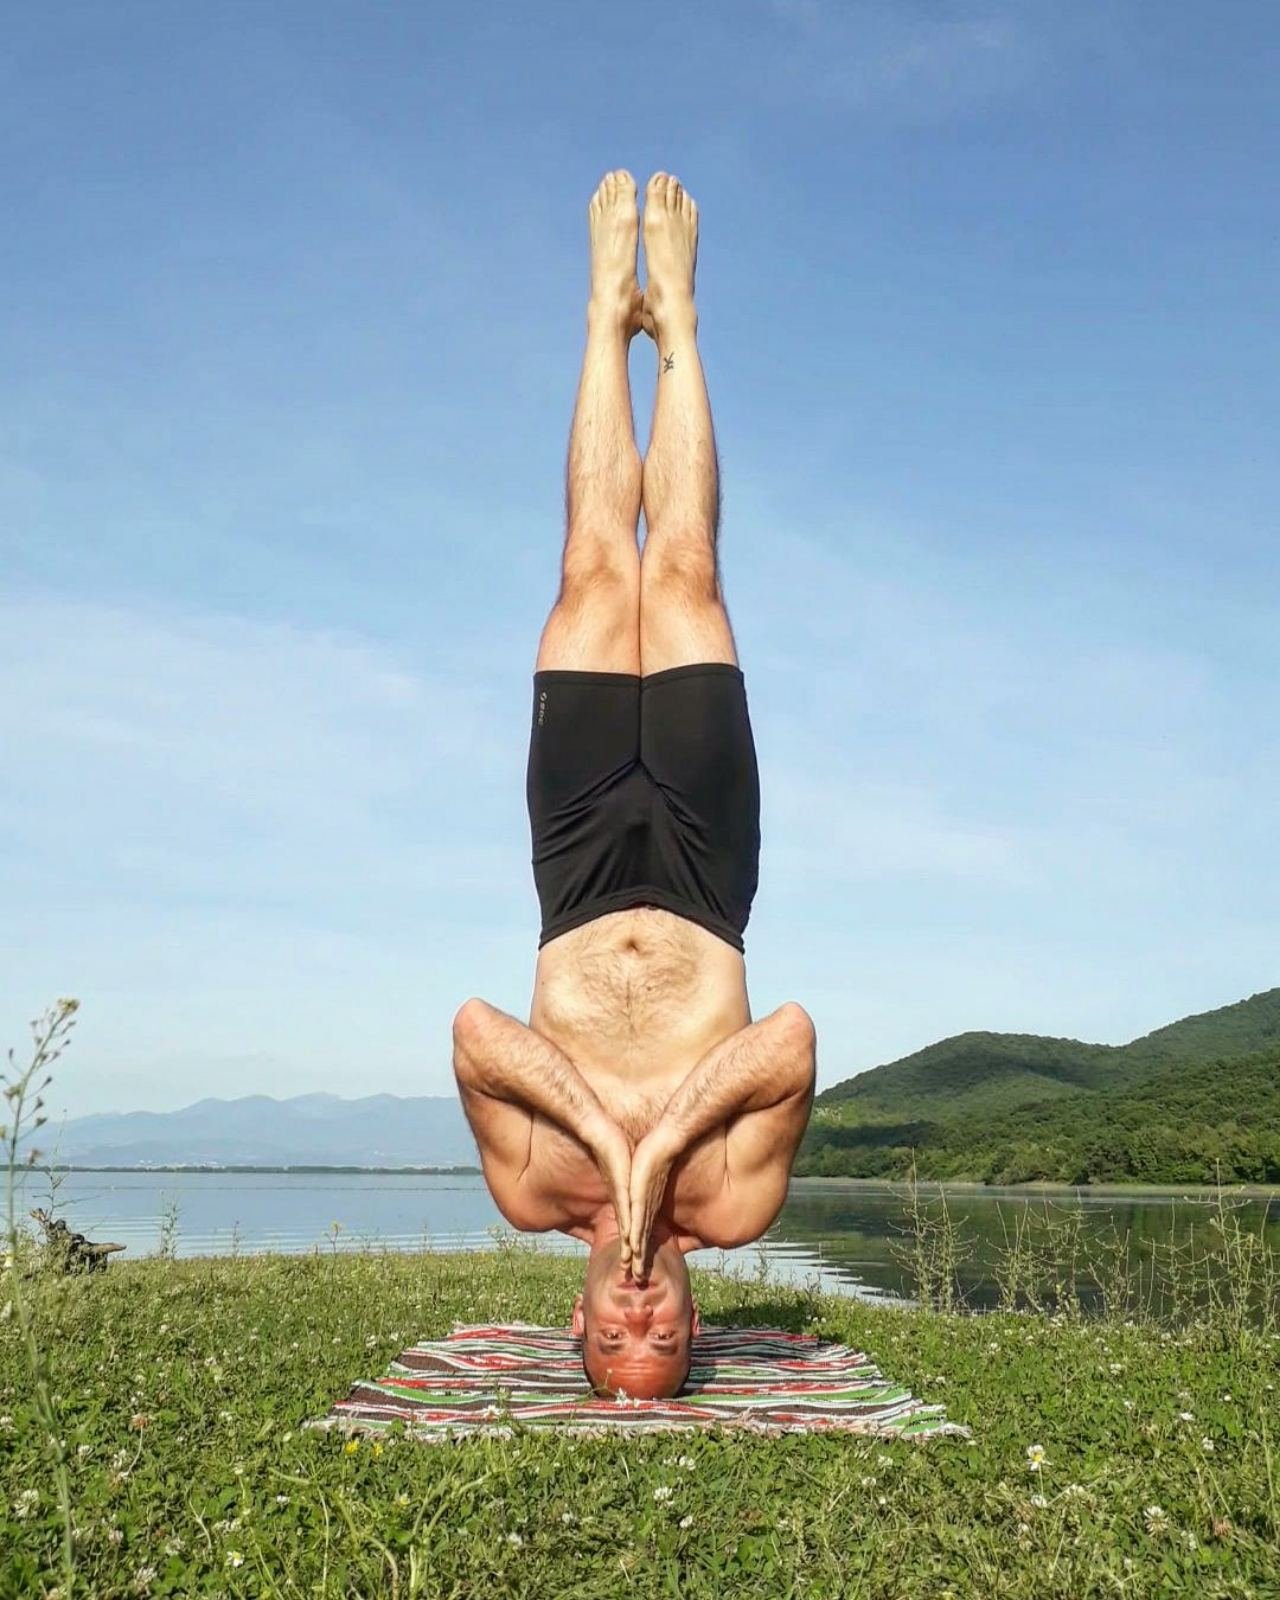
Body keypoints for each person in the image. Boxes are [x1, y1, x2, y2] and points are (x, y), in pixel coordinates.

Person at [453, 170, 816, 1400]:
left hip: (579, 875)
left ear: (579, 1317)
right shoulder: (736, 1200)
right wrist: (664, 1142)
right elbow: (788, 1041)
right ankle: (689, 332)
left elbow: (473, 1032)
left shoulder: (530, 1190)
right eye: (665, 1345)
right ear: (693, 1323)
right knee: (691, 578)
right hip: (707, 880)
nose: (639, 1324)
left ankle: (607, 318)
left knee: (594, 574)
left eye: (613, 1345)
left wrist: (606, 1140)